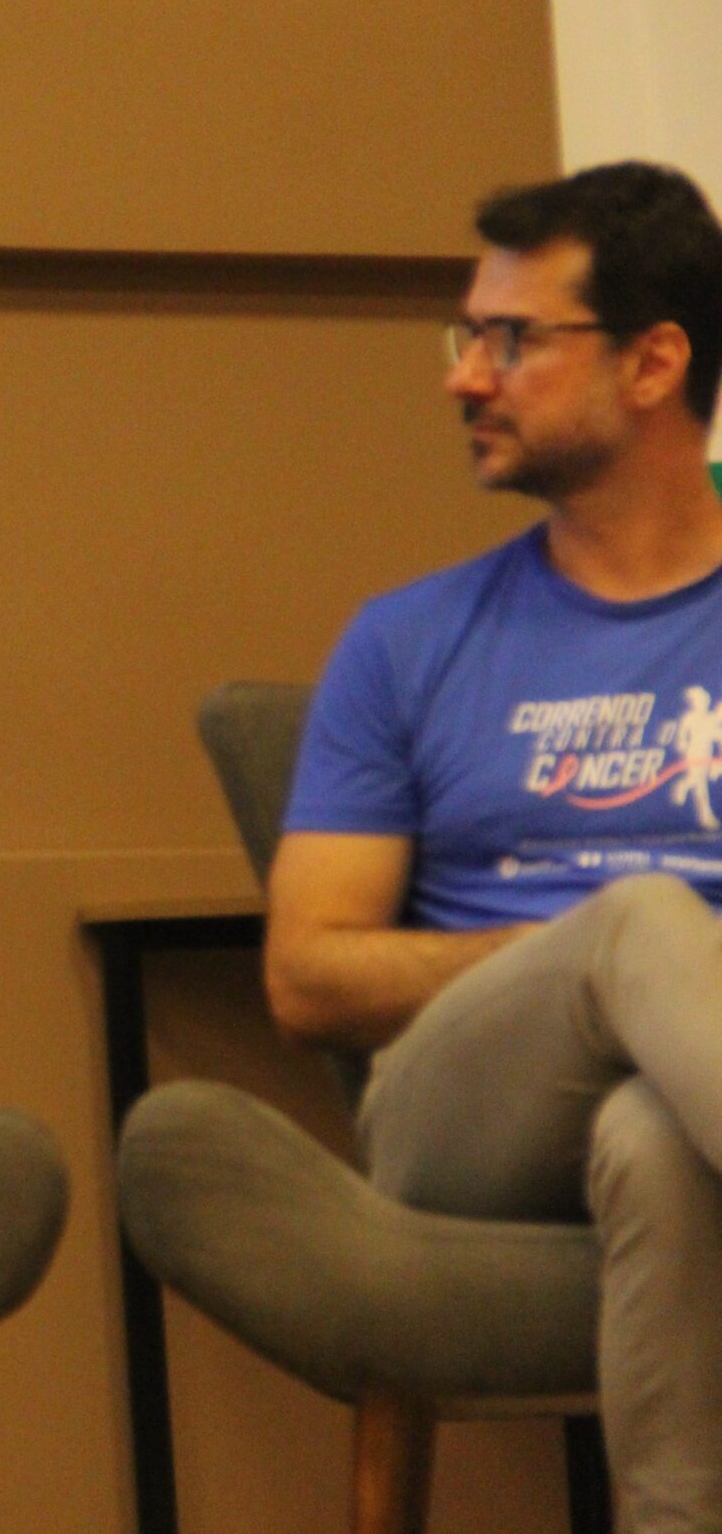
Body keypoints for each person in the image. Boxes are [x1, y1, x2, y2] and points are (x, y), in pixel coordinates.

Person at [272, 160, 722, 1530]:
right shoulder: (406, 640)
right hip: (462, 1113)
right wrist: (585, 964)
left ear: (653, 363)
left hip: (690, 1091)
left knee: (655, 1135)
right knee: (637, 918)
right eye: (466, 336)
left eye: (513, 340)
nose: (464, 376)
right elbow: (308, 974)